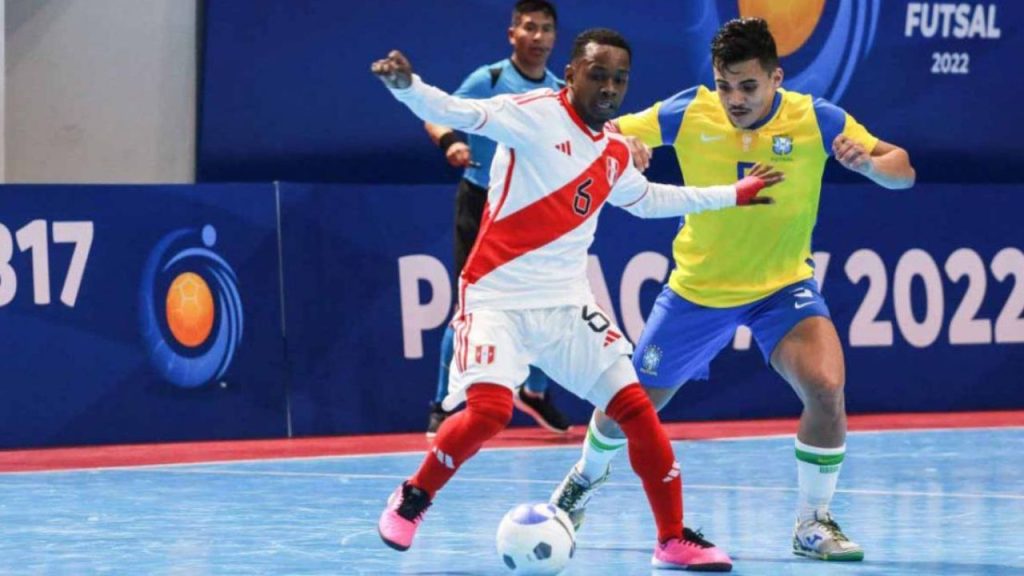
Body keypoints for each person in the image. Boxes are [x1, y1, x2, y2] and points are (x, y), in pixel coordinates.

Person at [371, 27, 782, 571]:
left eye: (619, 78)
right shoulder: (531, 113)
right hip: (497, 297)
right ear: (571, 74)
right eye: (598, 74)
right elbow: (459, 111)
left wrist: (733, 194)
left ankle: (672, 539)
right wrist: (407, 88)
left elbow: (650, 199)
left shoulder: (613, 149)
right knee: (490, 412)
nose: (609, 87)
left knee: (637, 411)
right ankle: (414, 496)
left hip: (566, 306)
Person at [549, 17, 916, 563]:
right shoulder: (690, 111)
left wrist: (870, 166)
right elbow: (606, 132)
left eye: (748, 86)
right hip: (698, 291)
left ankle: (812, 522)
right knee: (631, 405)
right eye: (725, 85)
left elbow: (902, 167)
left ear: (776, 78)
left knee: (825, 385)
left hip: (782, 288)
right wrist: (627, 148)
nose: (734, 99)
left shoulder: (816, 118)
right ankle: (584, 478)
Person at [424, 0, 571, 438]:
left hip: (532, 213)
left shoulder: (559, 91)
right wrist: (450, 140)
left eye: (546, 29)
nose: (538, 37)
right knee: (468, 311)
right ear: (513, 35)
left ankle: (536, 392)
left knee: (546, 306)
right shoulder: (488, 80)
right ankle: (441, 405)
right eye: (530, 28)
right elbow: (436, 113)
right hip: (481, 205)